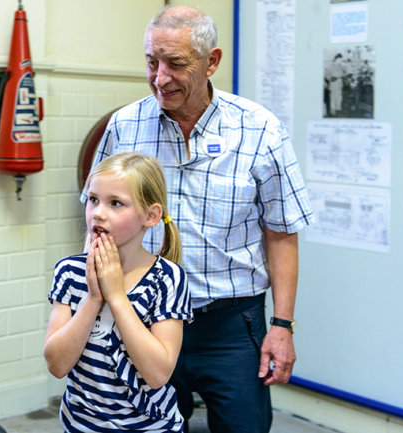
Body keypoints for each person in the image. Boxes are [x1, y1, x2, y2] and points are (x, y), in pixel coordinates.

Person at [86, 6, 315, 433]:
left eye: (176, 63)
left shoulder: (259, 129)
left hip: (230, 325)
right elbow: (97, 221)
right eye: (152, 62)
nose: (160, 77)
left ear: (212, 61)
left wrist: (282, 326)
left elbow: (282, 233)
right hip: (143, 316)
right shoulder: (125, 126)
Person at [44, 152, 193, 432]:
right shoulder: (69, 272)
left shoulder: (168, 279)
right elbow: (57, 364)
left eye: (116, 203)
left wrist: (116, 297)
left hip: (149, 426)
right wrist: (94, 298)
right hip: (81, 425)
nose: (98, 212)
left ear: (150, 216)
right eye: (93, 199)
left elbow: (158, 373)